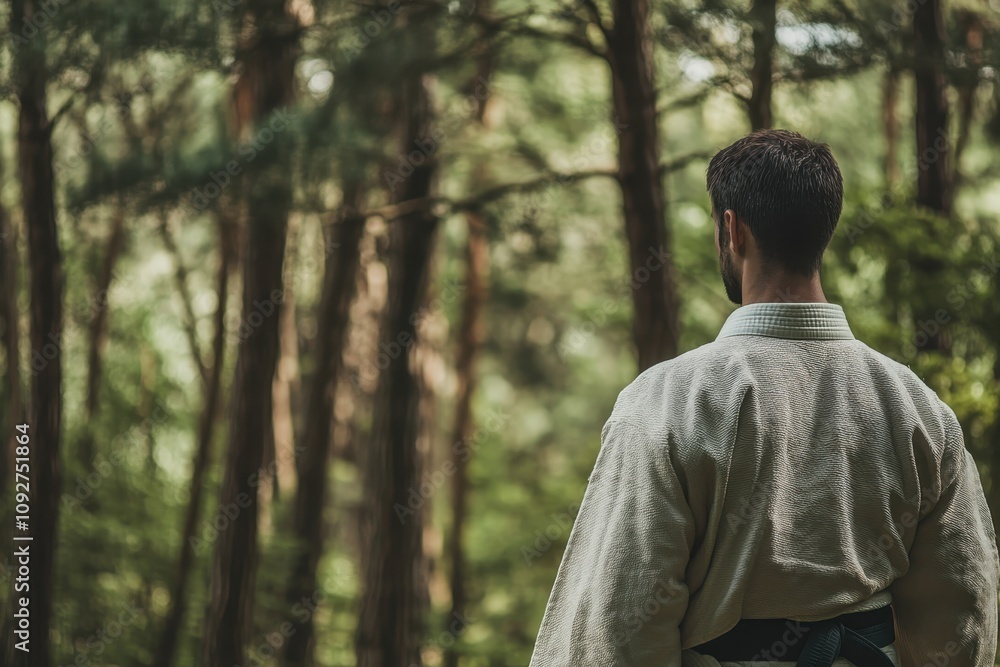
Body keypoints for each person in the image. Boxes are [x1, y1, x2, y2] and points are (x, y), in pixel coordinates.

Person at [527, 129, 1000, 667]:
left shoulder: (669, 401)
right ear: (824, 230)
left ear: (733, 229)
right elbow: (964, 604)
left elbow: (618, 620)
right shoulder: (915, 407)